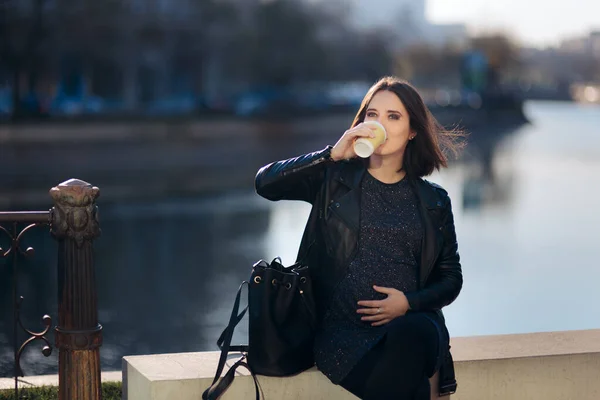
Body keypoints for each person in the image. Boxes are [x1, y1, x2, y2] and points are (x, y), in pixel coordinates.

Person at [255, 76, 463, 399]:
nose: (379, 123)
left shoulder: (434, 201)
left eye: (393, 116)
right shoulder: (334, 180)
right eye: (372, 114)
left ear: (412, 131)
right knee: (411, 385)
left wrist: (408, 303)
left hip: (409, 329)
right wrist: (331, 155)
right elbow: (265, 184)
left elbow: (451, 279)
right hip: (342, 336)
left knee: (416, 331)